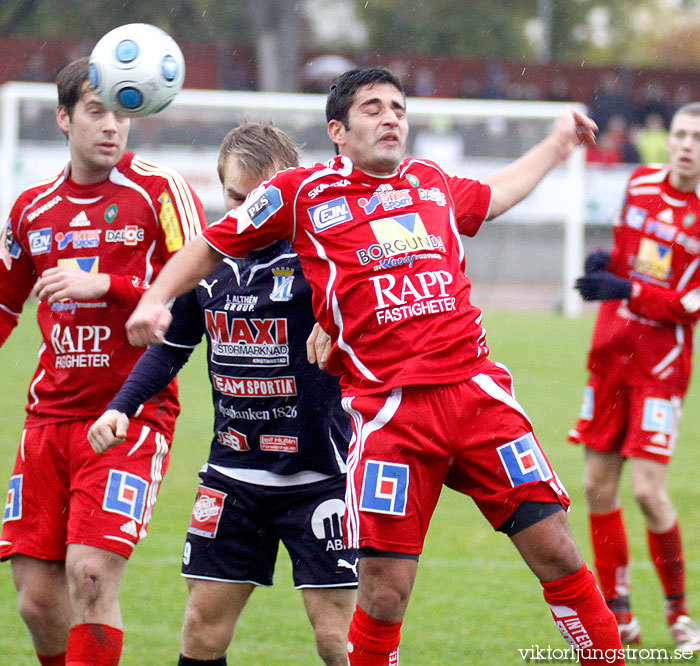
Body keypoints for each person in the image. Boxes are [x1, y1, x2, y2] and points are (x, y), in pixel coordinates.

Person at [123, 67, 625, 666]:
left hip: (476, 397)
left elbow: (496, 196)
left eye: (398, 107)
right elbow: (211, 243)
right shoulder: (302, 193)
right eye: (373, 108)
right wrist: (156, 298)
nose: (391, 117)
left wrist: (557, 143)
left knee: (558, 552)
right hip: (390, 416)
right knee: (384, 593)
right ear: (337, 129)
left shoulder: (432, 182)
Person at [87, 122, 357, 666]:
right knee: (201, 631)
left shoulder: (327, 257)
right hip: (233, 476)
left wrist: (341, 321)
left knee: (337, 639)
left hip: (323, 477)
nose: (249, 213)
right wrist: (120, 406)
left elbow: (385, 311)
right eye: (236, 198)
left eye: (263, 199)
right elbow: (171, 348)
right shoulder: (206, 263)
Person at [0, 57, 206, 666]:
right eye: (96, 111)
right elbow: (5, 305)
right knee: (37, 602)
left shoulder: (160, 191)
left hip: (129, 415)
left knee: (89, 575)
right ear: (64, 119)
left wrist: (111, 287)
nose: (112, 126)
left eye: (122, 112)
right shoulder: (31, 210)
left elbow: (201, 284)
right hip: (47, 420)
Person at [572, 102, 700, 651]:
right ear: (667, 139)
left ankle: (679, 617)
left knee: (648, 492)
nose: (687, 145)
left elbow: (691, 303)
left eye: (697, 137)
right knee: (597, 488)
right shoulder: (641, 185)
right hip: (612, 356)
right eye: (681, 134)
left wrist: (629, 291)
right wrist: (606, 263)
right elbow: (628, 256)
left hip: (660, 367)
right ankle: (619, 617)